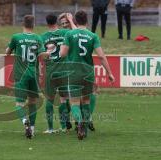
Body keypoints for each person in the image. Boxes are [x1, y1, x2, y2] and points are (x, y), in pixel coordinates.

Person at [59, 10, 115, 140]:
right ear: (87, 21)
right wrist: (109, 73)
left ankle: (79, 123)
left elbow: (62, 54)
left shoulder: (69, 34)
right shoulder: (93, 36)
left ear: (76, 21)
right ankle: (84, 122)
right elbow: (101, 56)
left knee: (74, 103)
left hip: (73, 72)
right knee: (86, 101)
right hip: (88, 72)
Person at [5, 15, 46, 139]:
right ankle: (32, 129)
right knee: (33, 101)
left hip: (20, 75)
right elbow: (42, 56)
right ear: (33, 25)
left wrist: (10, 49)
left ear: (23, 24)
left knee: (19, 104)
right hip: (33, 74)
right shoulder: (38, 38)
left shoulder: (16, 37)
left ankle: (24, 121)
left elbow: (7, 53)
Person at [59, 12, 97, 132]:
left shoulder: (74, 33)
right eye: (62, 23)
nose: (65, 25)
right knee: (69, 98)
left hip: (77, 70)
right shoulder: (65, 33)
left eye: (66, 22)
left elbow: (79, 33)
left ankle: (82, 121)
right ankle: (72, 123)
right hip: (66, 69)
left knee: (85, 96)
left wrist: (71, 21)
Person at [41, 14, 71, 134]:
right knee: (63, 99)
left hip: (51, 71)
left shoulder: (43, 37)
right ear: (57, 22)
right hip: (64, 69)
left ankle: (50, 128)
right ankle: (63, 127)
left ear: (47, 23)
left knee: (49, 99)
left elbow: (42, 56)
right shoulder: (65, 33)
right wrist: (70, 19)